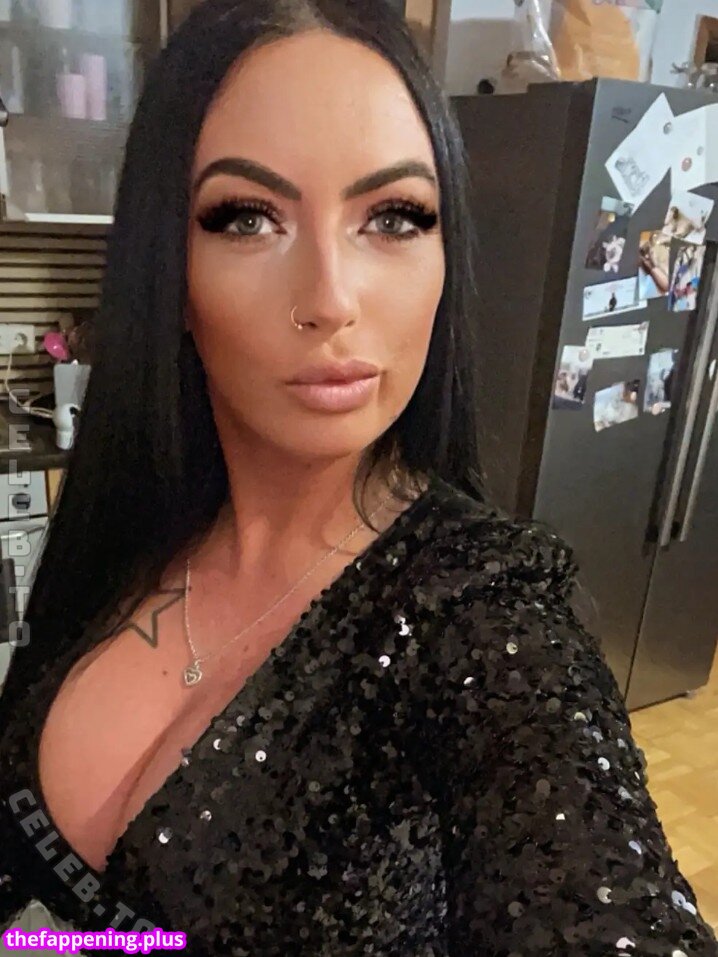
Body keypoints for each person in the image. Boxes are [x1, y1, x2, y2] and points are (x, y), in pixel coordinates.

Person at [1, 2, 716, 954]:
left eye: (392, 217)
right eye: (248, 218)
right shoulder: (136, 515)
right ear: (169, 269)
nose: (331, 299)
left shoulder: (483, 617)